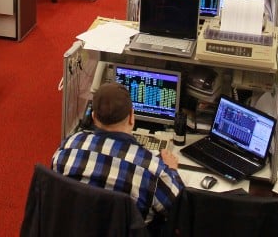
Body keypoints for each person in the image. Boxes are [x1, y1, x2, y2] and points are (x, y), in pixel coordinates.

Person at [52, 82, 184, 229]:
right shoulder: (152, 170)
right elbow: (181, 209)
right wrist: (172, 170)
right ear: (132, 117)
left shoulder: (68, 146)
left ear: (94, 117)